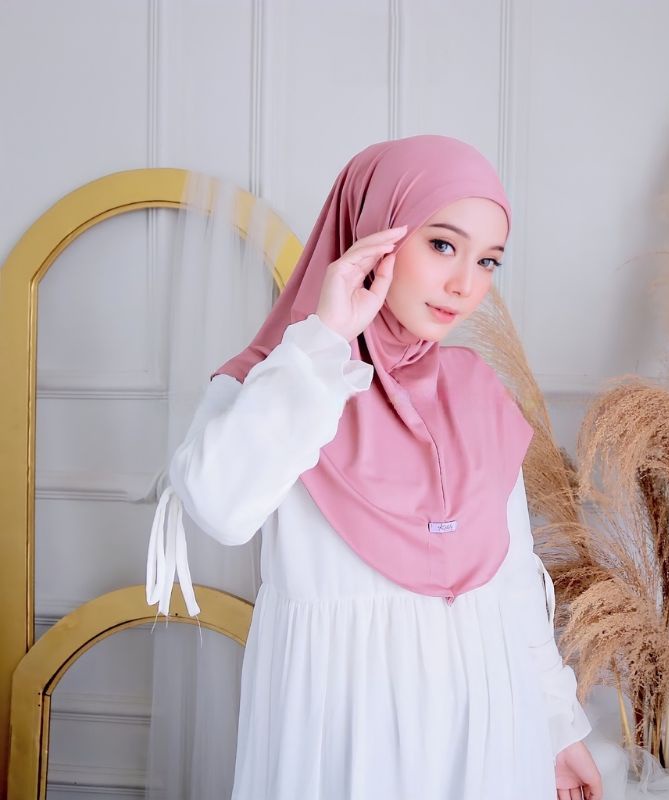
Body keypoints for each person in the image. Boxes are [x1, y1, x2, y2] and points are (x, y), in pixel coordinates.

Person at [146, 134, 603, 799]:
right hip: (344, 733)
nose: (464, 284)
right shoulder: (279, 381)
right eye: (441, 245)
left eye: (488, 261)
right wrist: (325, 339)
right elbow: (219, 508)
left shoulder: (477, 392)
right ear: (373, 235)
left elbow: (510, 581)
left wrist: (558, 732)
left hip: (490, 730)